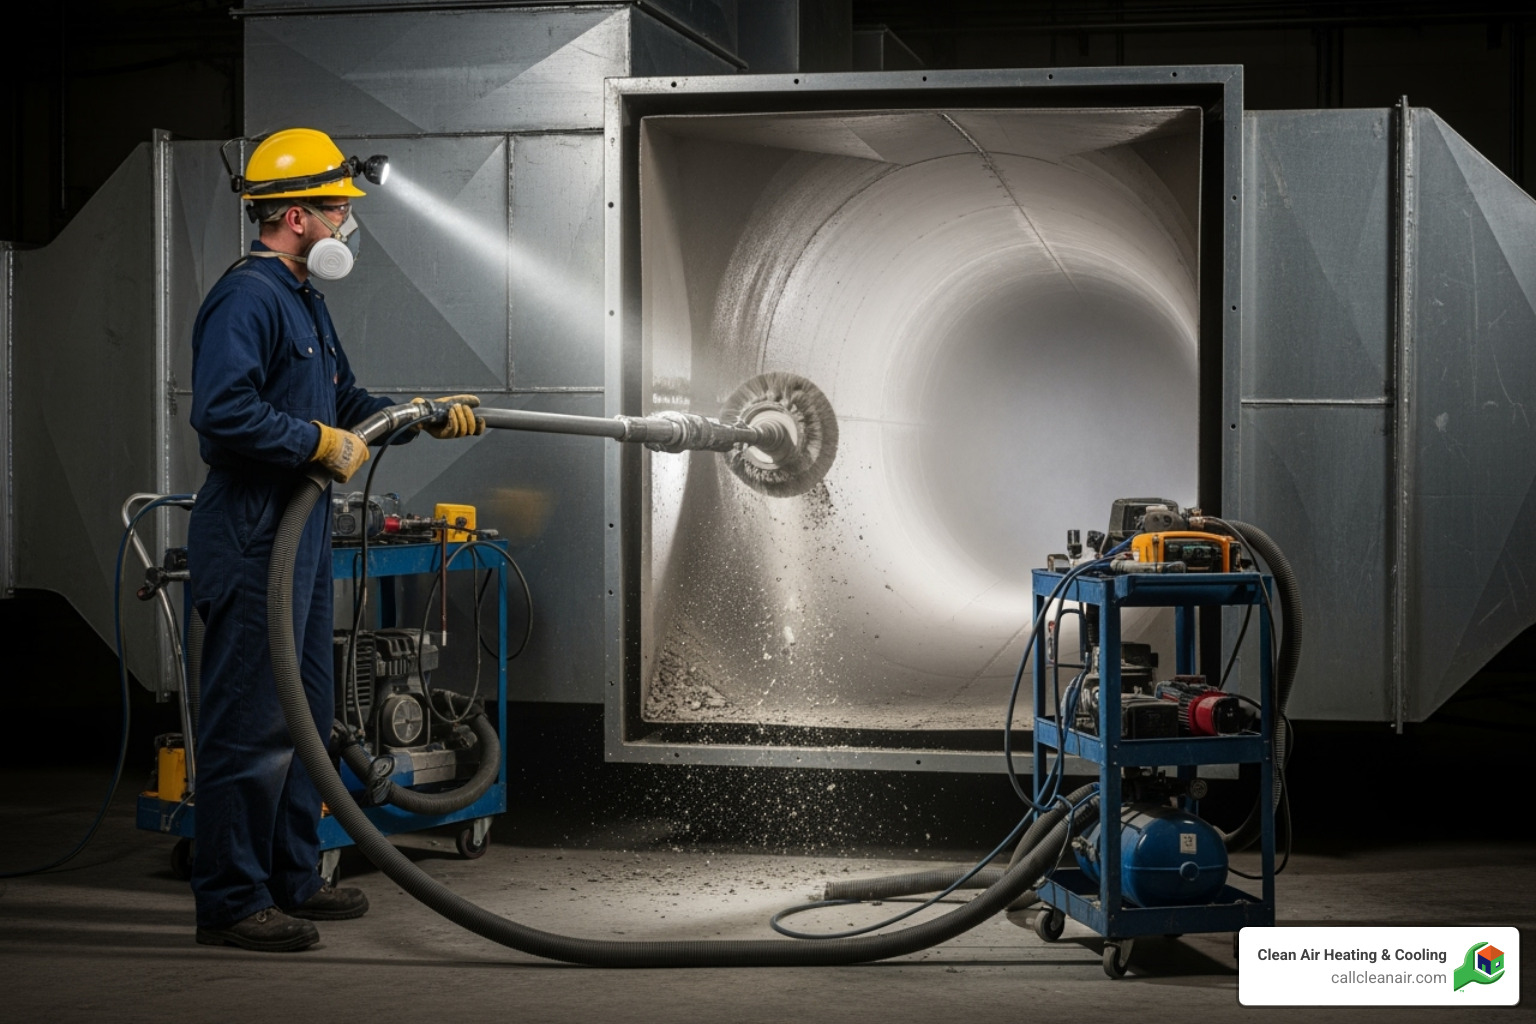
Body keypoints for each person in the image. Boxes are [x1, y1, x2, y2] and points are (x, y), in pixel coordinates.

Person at [186, 128, 483, 952]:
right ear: (292, 217)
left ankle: (291, 878)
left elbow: (348, 399)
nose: (348, 225)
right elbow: (221, 410)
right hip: (253, 534)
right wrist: (313, 444)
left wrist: (424, 415)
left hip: (299, 534)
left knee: (306, 713)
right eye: (338, 210)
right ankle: (233, 902)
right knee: (252, 725)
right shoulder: (247, 297)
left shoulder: (302, 298)